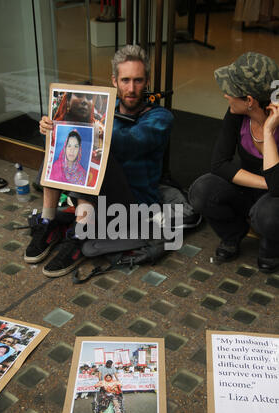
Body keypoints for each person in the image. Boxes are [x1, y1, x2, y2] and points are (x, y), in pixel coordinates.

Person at [24, 44, 174, 278]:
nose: (132, 88)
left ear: (147, 82)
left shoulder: (160, 118)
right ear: (114, 81)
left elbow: (132, 142)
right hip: (95, 198)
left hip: (131, 206)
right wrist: (53, 126)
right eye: (125, 80)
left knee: (97, 151)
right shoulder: (105, 108)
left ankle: (77, 238)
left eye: (138, 80)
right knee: (63, 140)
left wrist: (92, 130)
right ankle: (47, 221)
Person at [189, 52, 279, 273]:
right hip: (259, 186)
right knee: (201, 190)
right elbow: (219, 164)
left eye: (230, 91)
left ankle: (272, 246)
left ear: (249, 101)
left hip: (276, 202)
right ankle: (233, 233)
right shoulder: (236, 113)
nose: (225, 95)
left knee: (267, 214)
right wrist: (265, 183)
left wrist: (268, 132)